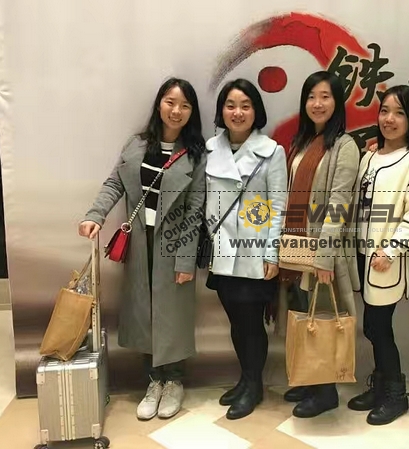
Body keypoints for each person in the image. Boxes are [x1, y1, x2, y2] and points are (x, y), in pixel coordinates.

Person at [78, 77, 207, 421]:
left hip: (173, 245)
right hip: (139, 244)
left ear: (192, 112)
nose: (176, 111)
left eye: (184, 105)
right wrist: (95, 215)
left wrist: (185, 260)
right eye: (170, 102)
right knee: (143, 312)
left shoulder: (195, 154)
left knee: (172, 315)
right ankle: (154, 381)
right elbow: (114, 183)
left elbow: (195, 212)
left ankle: (174, 381)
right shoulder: (136, 145)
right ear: (159, 104)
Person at [278, 70, 361, 418]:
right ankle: (311, 379)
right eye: (311, 96)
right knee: (303, 313)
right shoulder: (301, 142)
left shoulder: (344, 145)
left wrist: (324, 259)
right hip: (296, 247)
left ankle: (326, 392)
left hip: (323, 252)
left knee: (323, 317)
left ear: (337, 102)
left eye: (325, 96)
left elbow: (339, 205)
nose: (317, 103)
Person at [204, 78, 287, 420]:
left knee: (251, 323)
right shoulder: (211, 149)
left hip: (255, 252)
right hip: (222, 250)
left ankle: (254, 385)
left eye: (245, 106)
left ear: (256, 111)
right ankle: (245, 379)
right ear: (222, 111)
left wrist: (272, 254)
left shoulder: (273, 151)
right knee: (236, 322)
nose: (237, 112)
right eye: (230, 105)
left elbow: (278, 206)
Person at [347, 85, 409, 425]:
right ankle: (381, 385)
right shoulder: (369, 157)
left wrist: (392, 250)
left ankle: (395, 395)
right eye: (384, 111)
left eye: (399, 113)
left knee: (379, 328)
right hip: (361, 254)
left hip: (385, 259)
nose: (389, 119)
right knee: (371, 326)